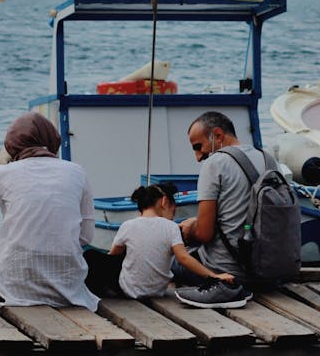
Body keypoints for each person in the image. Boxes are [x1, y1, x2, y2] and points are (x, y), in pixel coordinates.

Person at [0, 112, 98, 310]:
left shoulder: (2, 173)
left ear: (12, 144)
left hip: (12, 287)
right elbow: (86, 237)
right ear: (52, 141)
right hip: (67, 289)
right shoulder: (77, 172)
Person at [179, 110, 267, 286]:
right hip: (268, 272)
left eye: (198, 146)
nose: (198, 157)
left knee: (175, 260)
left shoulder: (215, 163)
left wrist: (190, 228)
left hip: (226, 272)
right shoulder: (268, 160)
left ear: (217, 135)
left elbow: (204, 234)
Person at [107, 182, 236, 299]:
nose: (173, 215)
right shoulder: (171, 227)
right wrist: (214, 276)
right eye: (173, 210)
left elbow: (113, 256)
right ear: (164, 202)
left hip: (127, 290)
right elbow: (183, 258)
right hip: (156, 292)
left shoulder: (127, 225)